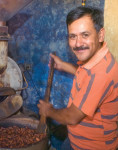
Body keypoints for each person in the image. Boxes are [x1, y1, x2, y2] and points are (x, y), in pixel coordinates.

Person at [37, 6, 118, 150]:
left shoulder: (101, 73)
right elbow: (85, 75)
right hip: (77, 139)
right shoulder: (98, 59)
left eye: (85, 35)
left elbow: (72, 116)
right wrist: (63, 65)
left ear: (100, 35)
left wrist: (48, 111)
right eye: (72, 36)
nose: (78, 43)